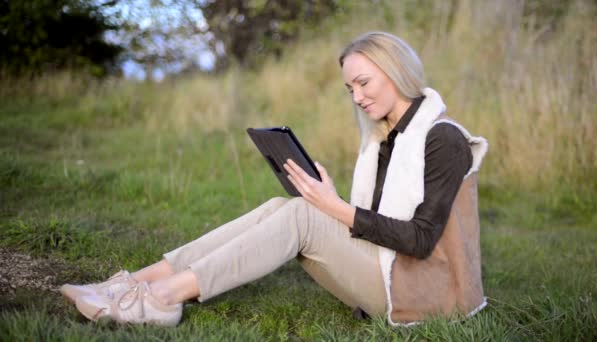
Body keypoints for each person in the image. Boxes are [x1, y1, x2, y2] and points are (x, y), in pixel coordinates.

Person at [60, 31, 488, 327]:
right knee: (281, 208)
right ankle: (134, 284)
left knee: (304, 214)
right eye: (349, 89)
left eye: (363, 82)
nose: (357, 97)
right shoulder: (386, 138)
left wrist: (331, 207)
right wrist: (337, 201)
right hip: (386, 270)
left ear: (394, 71)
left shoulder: (442, 139)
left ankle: (161, 300)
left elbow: (419, 239)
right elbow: (383, 220)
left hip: (422, 295)